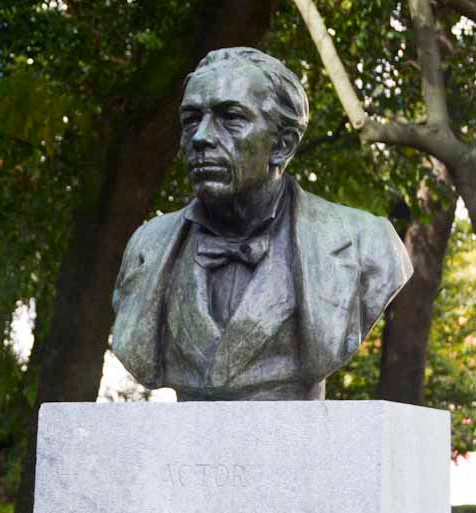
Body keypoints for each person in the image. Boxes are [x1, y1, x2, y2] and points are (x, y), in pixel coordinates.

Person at [111, 48, 412, 400]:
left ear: (282, 145)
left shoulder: (365, 243)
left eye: (231, 117)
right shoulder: (147, 246)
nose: (200, 137)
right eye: (192, 119)